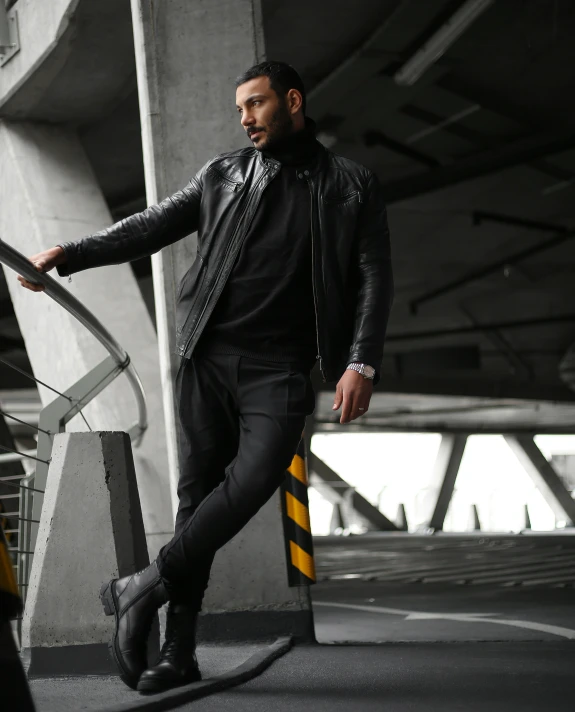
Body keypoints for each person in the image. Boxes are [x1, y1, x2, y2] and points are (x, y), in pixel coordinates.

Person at [18, 61, 393, 694]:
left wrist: (361, 360)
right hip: (208, 357)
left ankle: (142, 586)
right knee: (197, 506)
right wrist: (70, 254)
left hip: (280, 369)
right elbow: (149, 225)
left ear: (292, 101)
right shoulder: (223, 174)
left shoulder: (351, 185)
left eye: (256, 104)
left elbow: (374, 277)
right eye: (239, 109)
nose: (245, 118)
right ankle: (178, 652)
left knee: (249, 486)